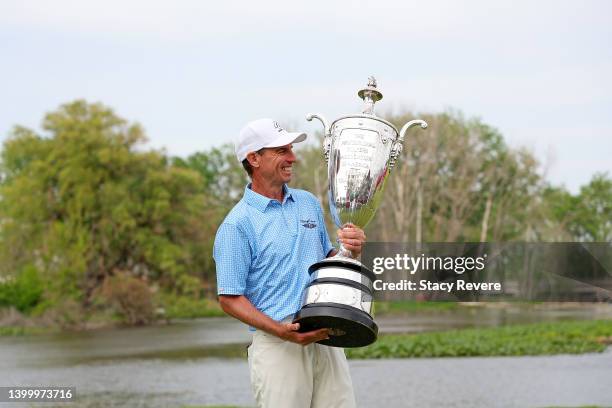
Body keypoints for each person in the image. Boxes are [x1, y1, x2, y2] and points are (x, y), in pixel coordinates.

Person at [213, 118, 366, 408]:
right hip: (278, 342)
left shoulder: (307, 202)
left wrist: (350, 251)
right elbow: (229, 299)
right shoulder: (237, 225)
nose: (292, 157)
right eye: (281, 150)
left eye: (291, 149)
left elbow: (327, 262)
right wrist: (280, 331)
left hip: (325, 333)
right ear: (254, 158)